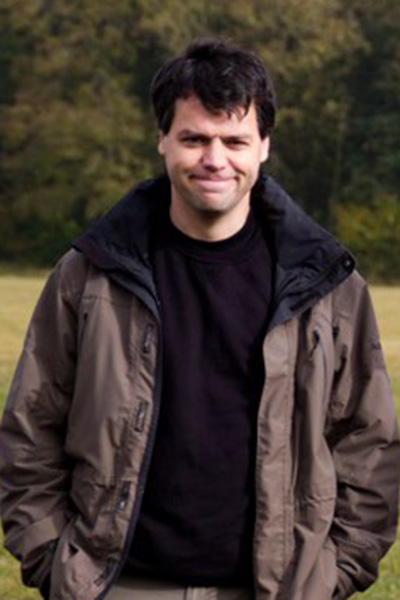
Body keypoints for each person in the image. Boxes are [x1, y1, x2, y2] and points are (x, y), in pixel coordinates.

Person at [0, 39, 399, 600]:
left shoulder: (328, 286)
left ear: (264, 146)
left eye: (234, 141)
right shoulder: (88, 274)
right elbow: (30, 428)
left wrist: (330, 575)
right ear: (163, 140)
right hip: (118, 587)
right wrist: (55, 563)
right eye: (194, 139)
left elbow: (368, 443)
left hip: (274, 590)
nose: (215, 159)